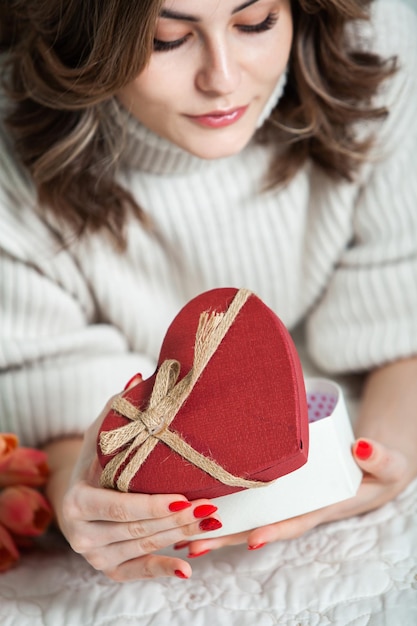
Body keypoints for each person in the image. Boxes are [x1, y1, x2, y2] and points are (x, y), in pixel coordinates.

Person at [0, 0, 416, 582]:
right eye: (167, 39)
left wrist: (382, 457)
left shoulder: (381, 45)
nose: (221, 78)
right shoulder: (10, 161)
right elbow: (55, 381)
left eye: (255, 24)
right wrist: (94, 496)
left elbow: (401, 302)